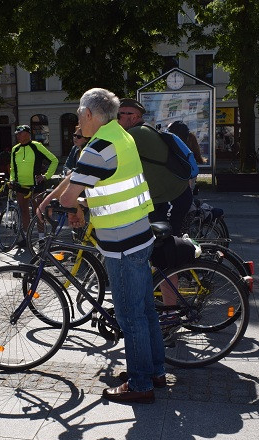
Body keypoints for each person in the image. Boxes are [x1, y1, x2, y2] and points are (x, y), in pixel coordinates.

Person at [37, 88, 166, 404]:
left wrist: (65, 202)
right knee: (146, 309)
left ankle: (140, 385)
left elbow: (71, 194)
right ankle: (154, 371)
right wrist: (55, 196)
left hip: (121, 242)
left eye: (80, 114)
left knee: (129, 314)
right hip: (139, 233)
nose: (78, 120)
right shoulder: (119, 135)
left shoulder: (100, 146)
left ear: (89, 114)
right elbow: (77, 176)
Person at [117, 98, 192, 235]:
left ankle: (192, 256)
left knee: (167, 243)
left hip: (172, 196)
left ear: (133, 117)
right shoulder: (143, 129)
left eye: (118, 115)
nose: (115, 120)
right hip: (161, 197)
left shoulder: (136, 133)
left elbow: (109, 155)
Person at [9, 124, 58, 246]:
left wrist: (46, 176)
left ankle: (41, 238)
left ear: (27, 134)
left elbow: (54, 160)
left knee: (38, 211)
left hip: (36, 185)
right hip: (21, 185)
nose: (18, 136)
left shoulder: (37, 146)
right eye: (17, 134)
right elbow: (12, 168)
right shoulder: (15, 149)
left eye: (20, 133)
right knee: (23, 211)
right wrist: (12, 180)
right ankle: (26, 238)